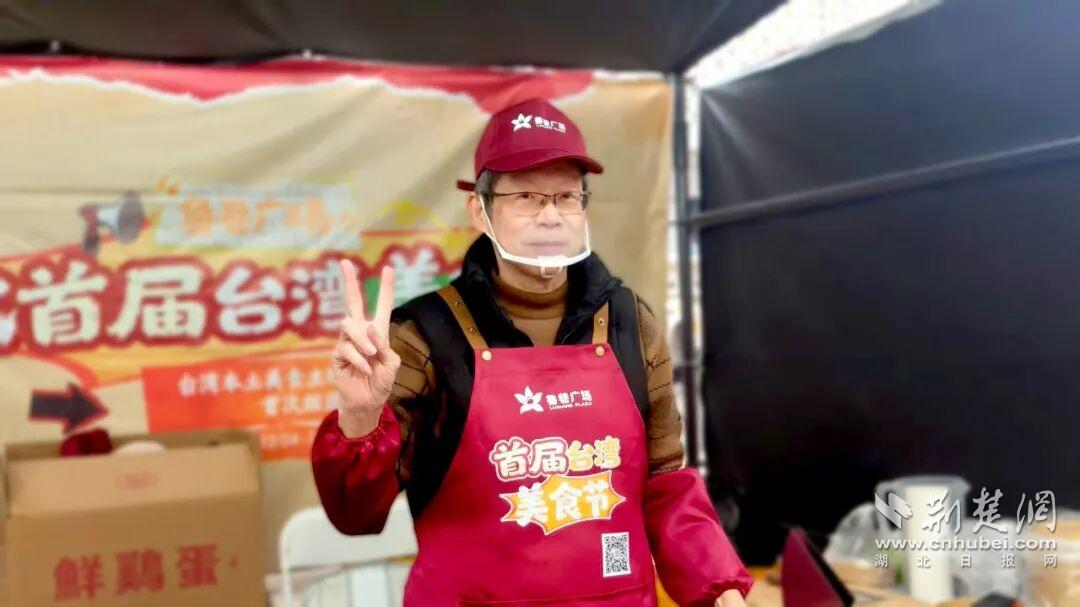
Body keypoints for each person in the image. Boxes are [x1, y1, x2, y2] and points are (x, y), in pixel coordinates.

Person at [311, 97, 752, 606]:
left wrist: (720, 586)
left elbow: (665, 482)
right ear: (480, 211)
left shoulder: (630, 323)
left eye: (566, 197)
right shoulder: (422, 336)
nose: (550, 216)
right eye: (526, 196)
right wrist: (360, 419)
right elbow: (355, 516)